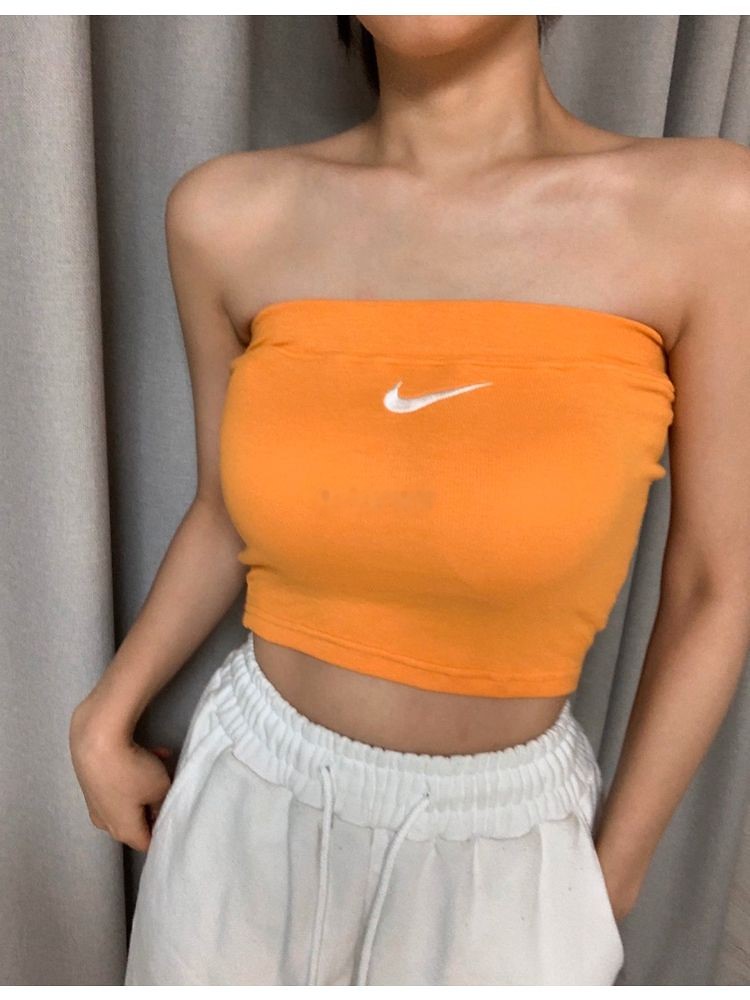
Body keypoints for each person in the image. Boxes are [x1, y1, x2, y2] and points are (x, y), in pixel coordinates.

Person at [69, 14, 750, 987]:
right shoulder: (227, 216)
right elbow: (225, 510)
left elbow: (714, 582)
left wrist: (612, 879)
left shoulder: (705, 212)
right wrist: (105, 716)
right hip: (240, 816)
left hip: (505, 859)